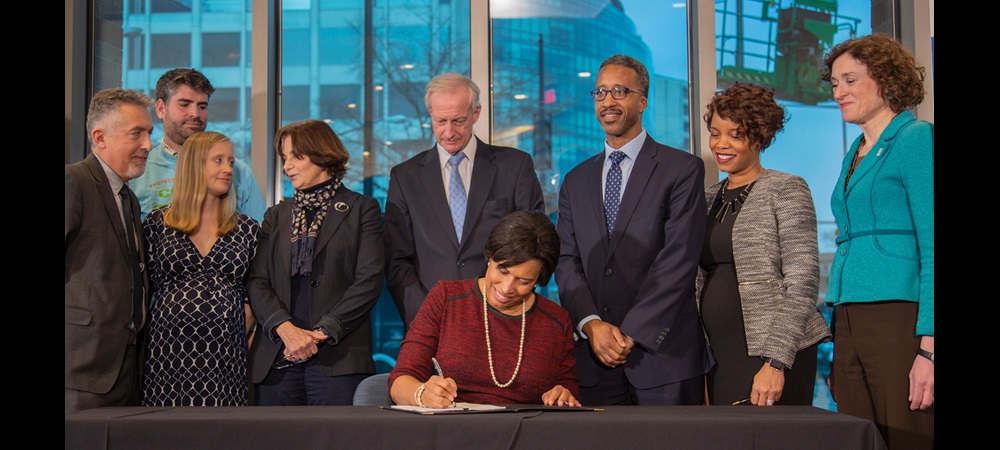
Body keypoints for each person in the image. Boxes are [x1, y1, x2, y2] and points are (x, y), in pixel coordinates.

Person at [554, 54, 713, 405]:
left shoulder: (682, 169)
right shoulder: (575, 181)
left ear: (642, 101)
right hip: (594, 359)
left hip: (664, 356)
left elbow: (680, 259)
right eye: (600, 92)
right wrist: (592, 324)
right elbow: (566, 261)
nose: (608, 101)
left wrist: (629, 334)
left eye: (619, 91)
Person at [820, 33, 933, 449]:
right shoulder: (856, 153)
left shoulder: (915, 138)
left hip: (899, 317)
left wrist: (930, 351)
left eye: (850, 80)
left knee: (908, 437)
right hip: (849, 318)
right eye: (834, 83)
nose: (839, 92)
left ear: (886, 80)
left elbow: (934, 245)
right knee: (857, 436)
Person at [695, 82, 831, 407]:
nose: (721, 144)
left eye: (735, 135)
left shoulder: (786, 189)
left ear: (759, 136)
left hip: (773, 353)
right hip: (719, 354)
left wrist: (776, 362)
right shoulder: (706, 198)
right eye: (715, 133)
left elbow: (803, 283)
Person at [385, 72, 544, 328]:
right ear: (430, 114)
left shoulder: (515, 167)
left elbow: (533, 246)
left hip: (503, 318)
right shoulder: (405, 177)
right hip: (431, 323)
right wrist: (429, 316)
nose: (449, 132)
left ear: (476, 113)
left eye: (458, 121)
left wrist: (503, 301)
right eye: (440, 121)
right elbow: (397, 260)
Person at [247, 119, 385, 405]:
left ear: (323, 155)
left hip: (338, 360)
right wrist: (285, 329)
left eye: (296, 157)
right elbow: (257, 280)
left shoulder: (362, 210)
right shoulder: (276, 215)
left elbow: (369, 281)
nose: (287, 167)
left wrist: (322, 333)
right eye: (285, 158)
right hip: (278, 357)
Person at [389, 210, 579, 407]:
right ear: (490, 257)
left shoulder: (556, 321)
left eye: (523, 281)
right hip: (453, 429)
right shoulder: (446, 298)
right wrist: (422, 394)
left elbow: (568, 391)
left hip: (525, 432)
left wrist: (563, 395)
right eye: (502, 271)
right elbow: (400, 380)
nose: (506, 288)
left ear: (539, 280)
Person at [141, 131, 260, 406]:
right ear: (194, 165)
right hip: (167, 349)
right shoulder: (158, 224)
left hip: (226, 351)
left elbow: (255, 290)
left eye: (230, 161)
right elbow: (143, 288)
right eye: (218, 160)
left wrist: (246, 329)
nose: (227, 169)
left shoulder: (247, 229)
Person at [66, 88, 154, 413]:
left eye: (149, 133)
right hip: (79, 372)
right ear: (100, 137)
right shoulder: (73, 182)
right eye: (137, 134)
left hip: (125, 373)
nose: (147, 145)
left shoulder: (128, 198)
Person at [131, 67, 266, 222]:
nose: (195, 114)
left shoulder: (238, 171)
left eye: (202, 106)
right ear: (161, 109)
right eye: (184, 104)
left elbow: (260, 238)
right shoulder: (139, 171)